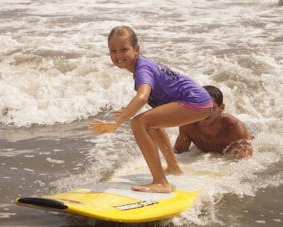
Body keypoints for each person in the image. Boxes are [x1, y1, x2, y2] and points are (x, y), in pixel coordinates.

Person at [89, 25, 213, 193]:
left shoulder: (143, 69)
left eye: (124, 49)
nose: (118, 55)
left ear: (137, 49)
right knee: (152, 125)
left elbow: (142, 97)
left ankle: (161, 182)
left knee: (139, 122)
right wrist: (126, 111)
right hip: (200, 102)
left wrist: (118, 121)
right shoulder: (143, 65)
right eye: (113, 51)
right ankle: (173, 167)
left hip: (195, 102)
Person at [174, 85, 253, 159]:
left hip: (251, 129)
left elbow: (245, 161)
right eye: (200, 107)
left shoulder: (234, 128)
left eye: (211, 108)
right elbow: (178, 153)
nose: (205, 113)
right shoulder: (188, 125)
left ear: (221, 108)